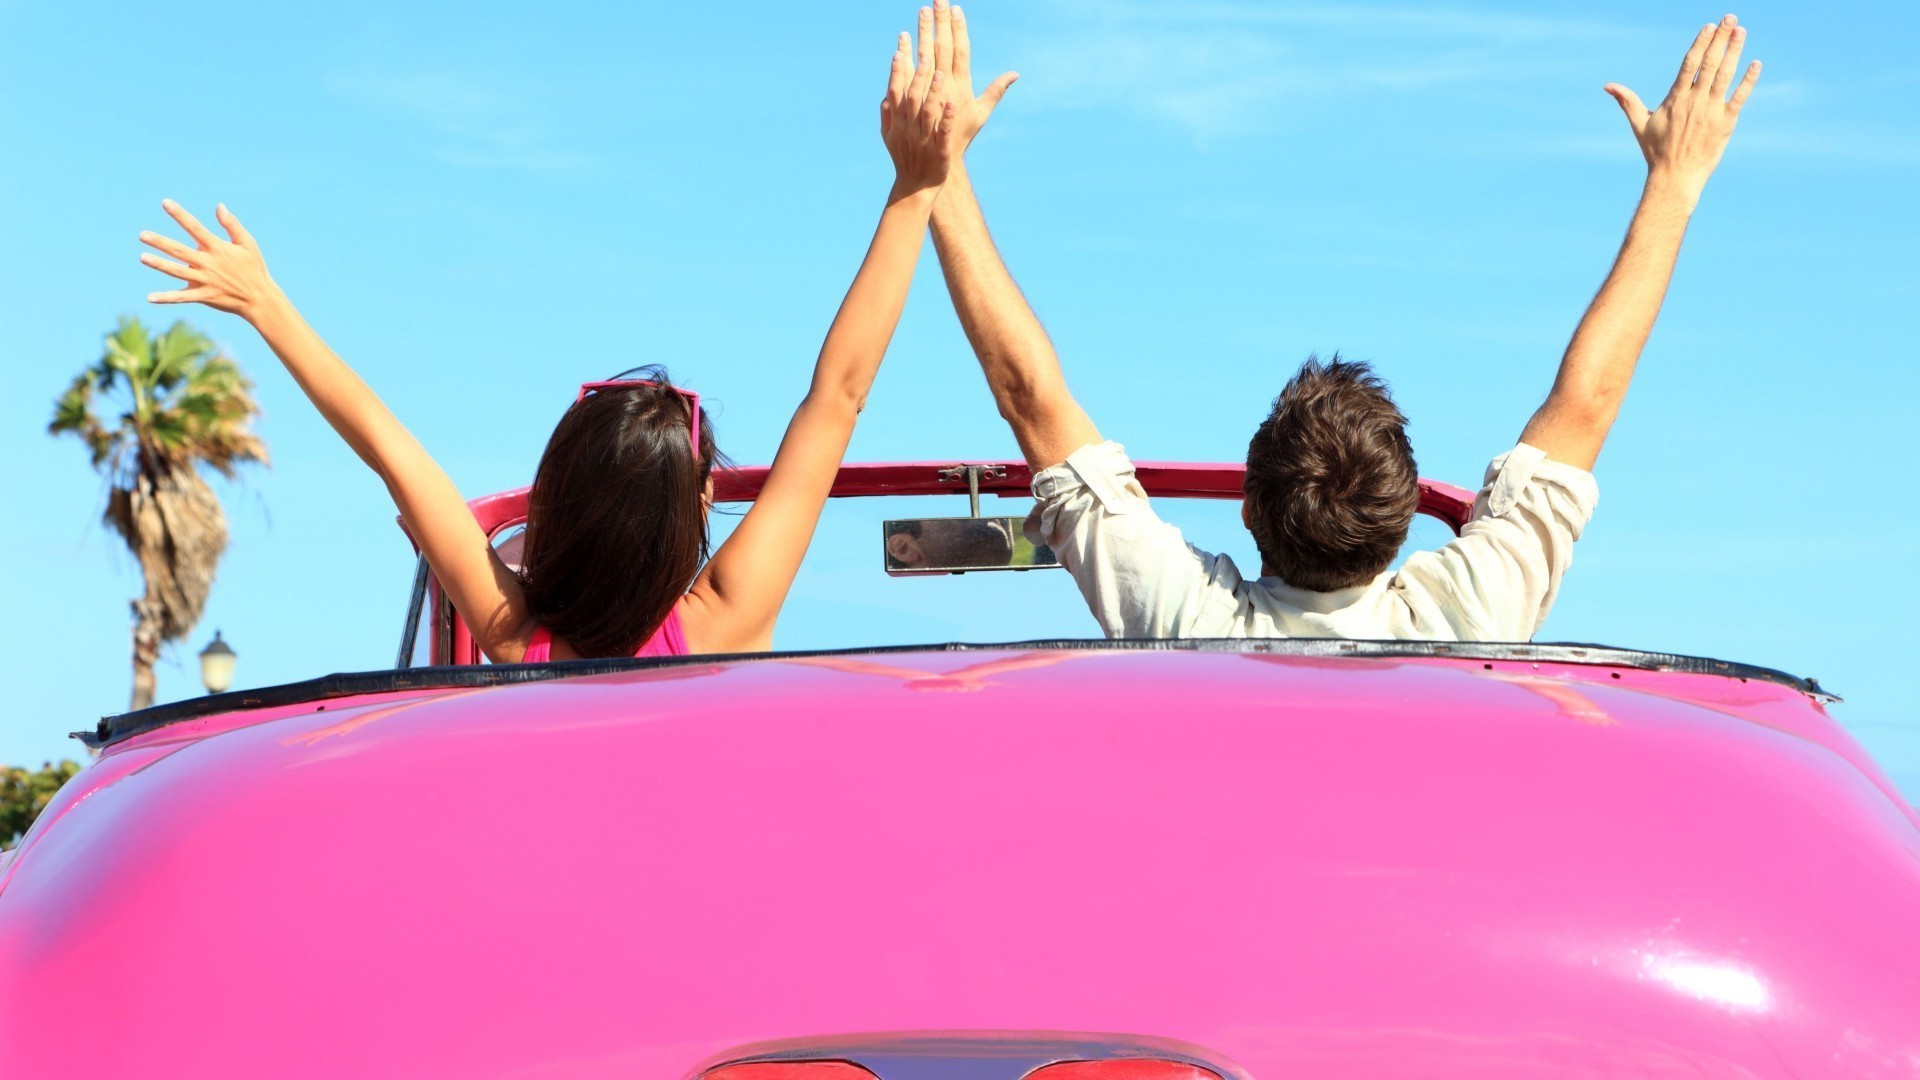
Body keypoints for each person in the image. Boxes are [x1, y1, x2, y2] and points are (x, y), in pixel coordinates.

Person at [922, 4, 1760, 641]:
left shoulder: (1194, 625)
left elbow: (1030, 396)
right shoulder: (1464, 622)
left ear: (1250, 511)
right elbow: (1587, 404)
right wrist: (1674, 184)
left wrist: (938, 176)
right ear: (1399, 530)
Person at [136, 29, 958, 662]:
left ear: (555, 498)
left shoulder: (512, 631)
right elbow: (838, 397)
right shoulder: (729, 617)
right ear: (697, 507)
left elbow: (389, 446)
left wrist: (266, 303)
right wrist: (916, 187)